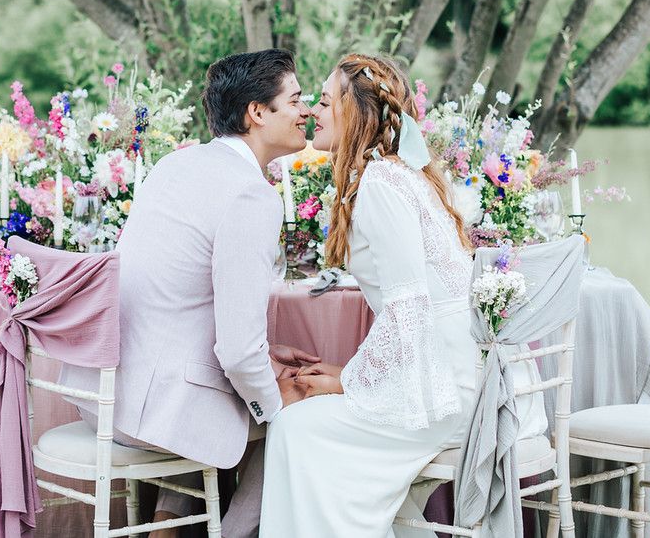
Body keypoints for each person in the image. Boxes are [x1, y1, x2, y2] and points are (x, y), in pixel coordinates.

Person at [62, 48, 318, 538]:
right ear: (257, 113)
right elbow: (240, 353)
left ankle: (167, 524)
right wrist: (275, 398)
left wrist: (264, 362)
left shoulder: (175, 166)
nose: (306, 111)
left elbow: (177, 305)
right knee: (300, 415)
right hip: (151, 411)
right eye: (296, 99)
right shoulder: (250, 193)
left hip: (106, 393)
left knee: (242, 386)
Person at [260, 54, 480, 537]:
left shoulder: (380, 184)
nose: (311, 112)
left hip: (445, 392)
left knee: (296, 430)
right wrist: (350, 376)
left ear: (355, 113)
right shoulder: (398, 174)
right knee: (308, 426)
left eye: (322, 100)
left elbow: (409, 311)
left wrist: (349, 382)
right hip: (451, 376)